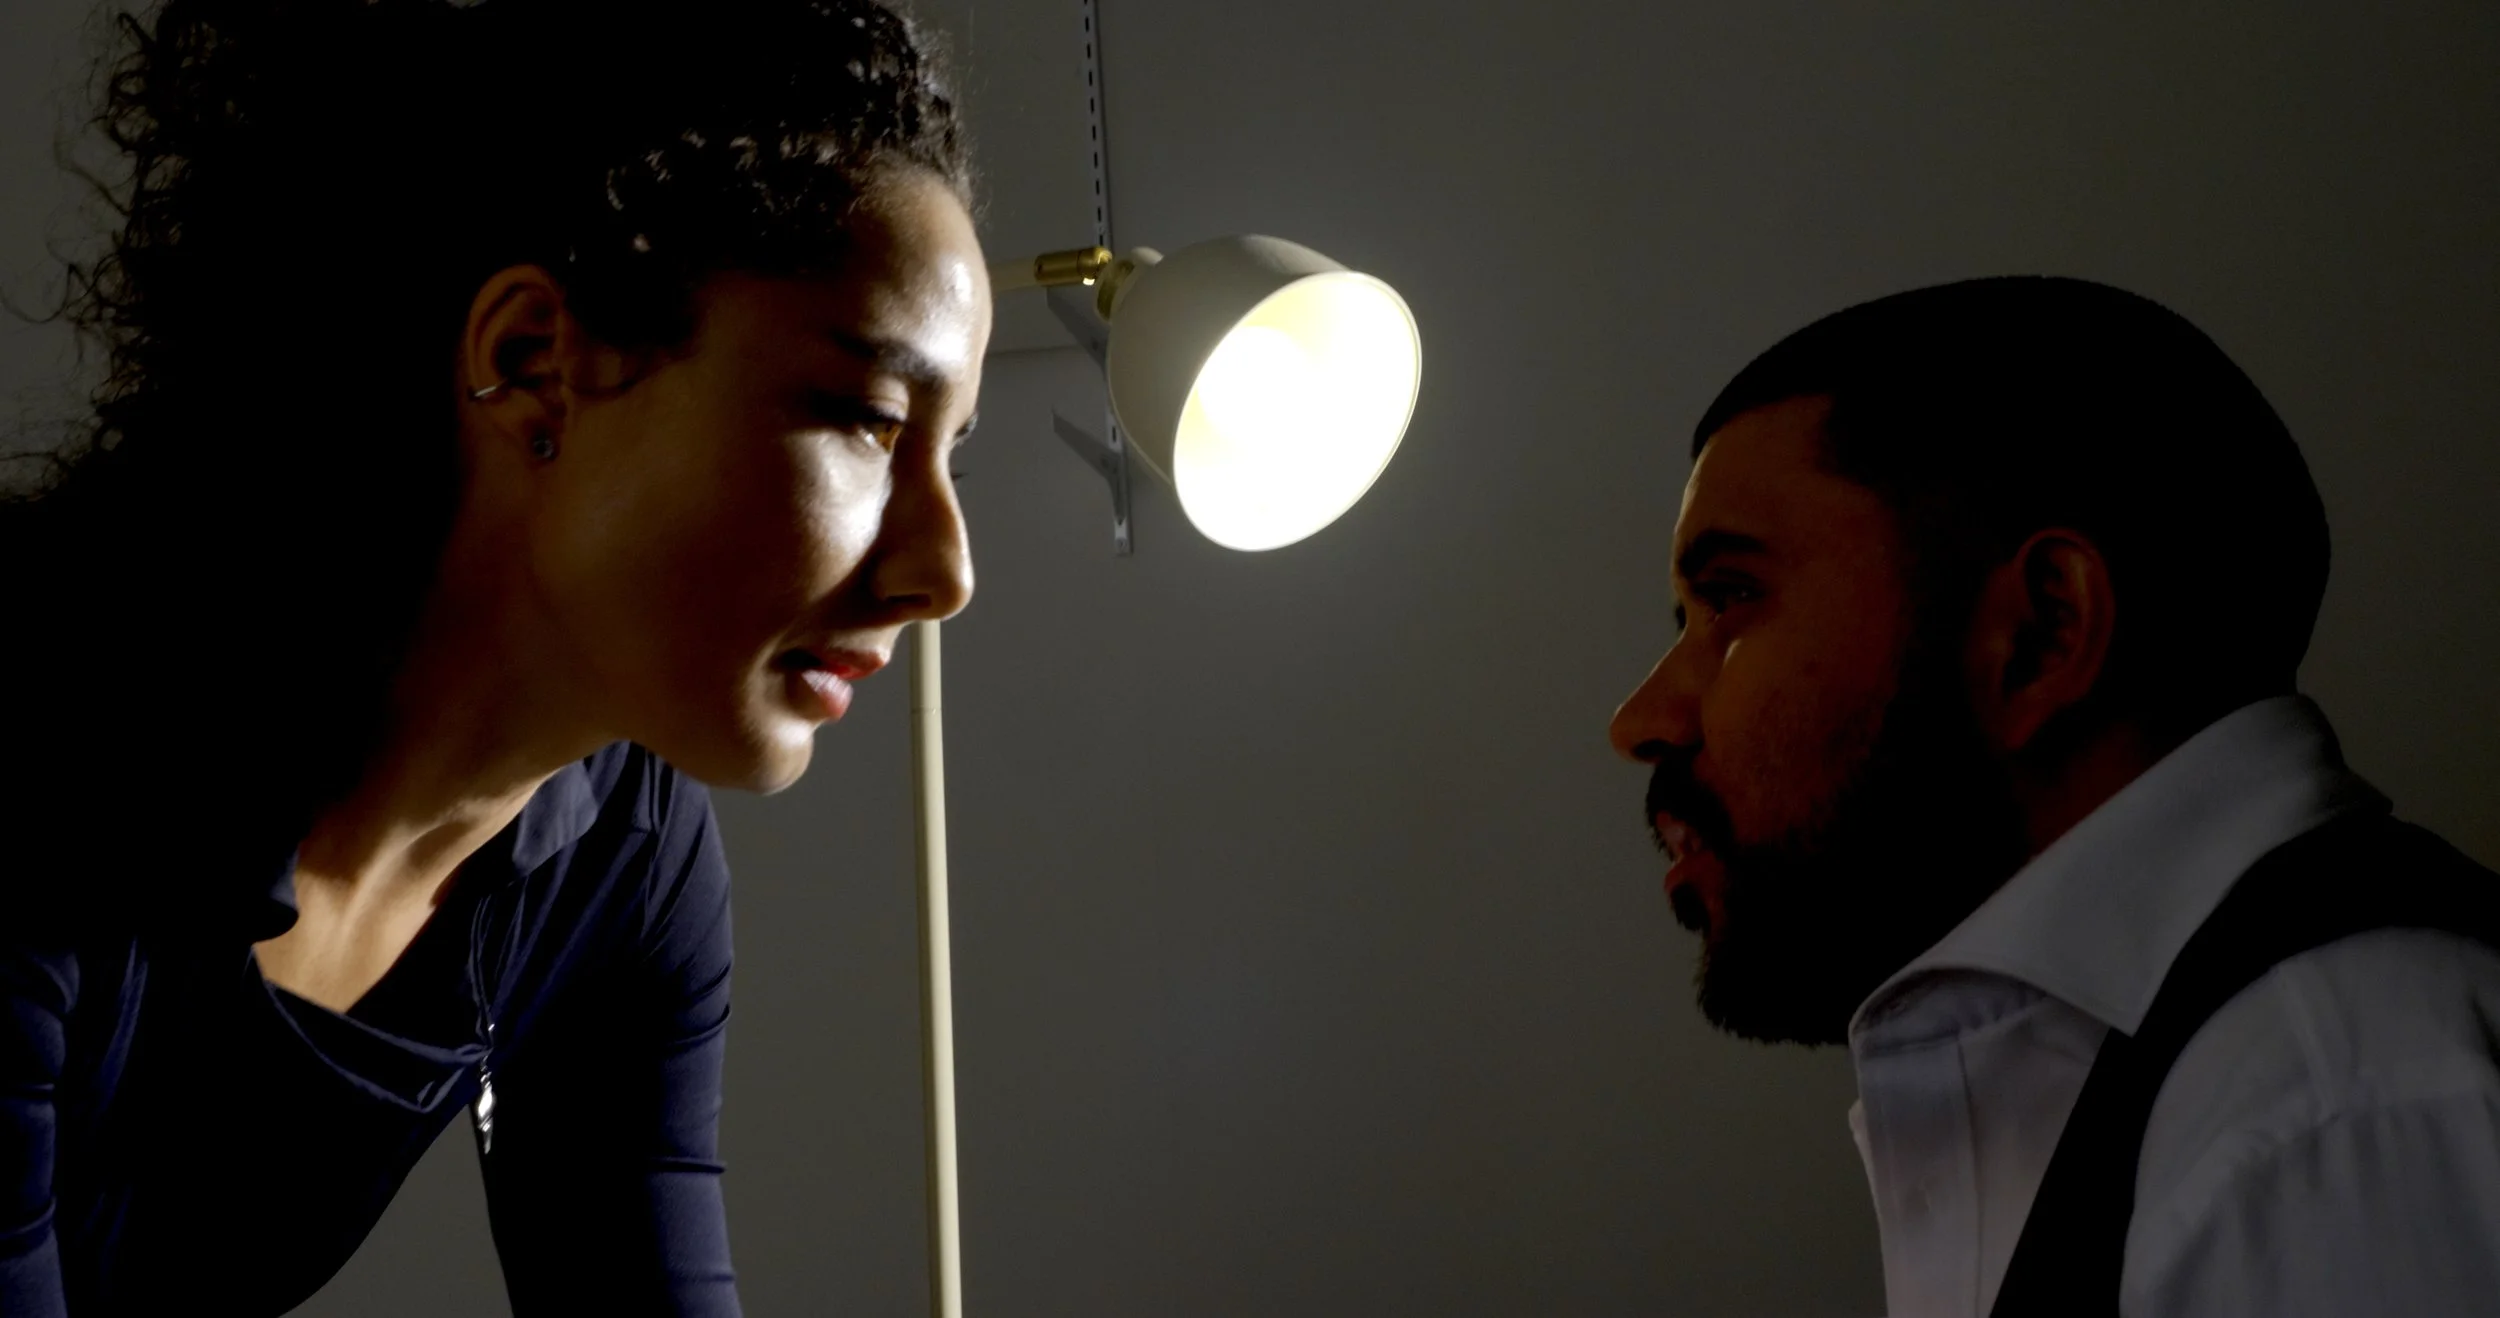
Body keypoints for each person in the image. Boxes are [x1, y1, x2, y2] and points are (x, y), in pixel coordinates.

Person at [0, 0, 986, 1312]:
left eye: (952, 448)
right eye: (867, 419)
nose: (946, 569)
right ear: (532, 364)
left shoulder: (622, 866)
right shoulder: (38, 760)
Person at [1607, 277, 2500, 1316]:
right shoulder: (2245, 1085)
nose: (1640, 718)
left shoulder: (2328, 1104)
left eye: (1729, 599)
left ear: (2040, 632)